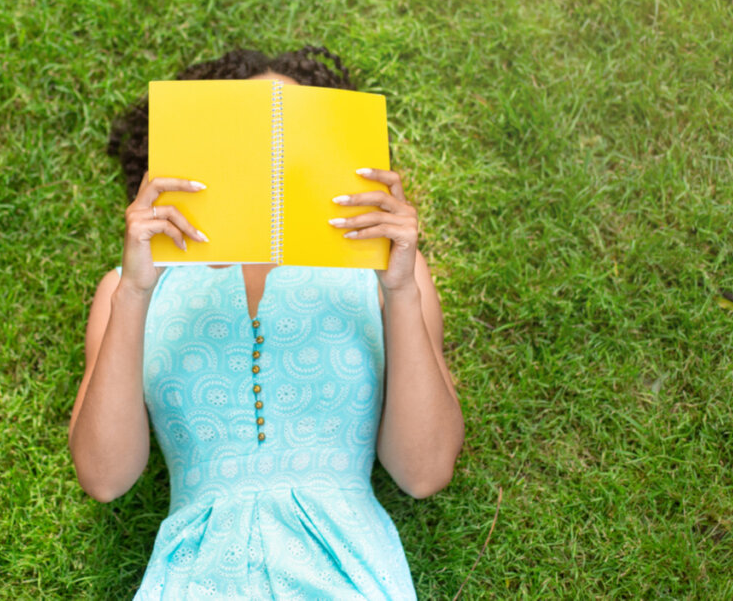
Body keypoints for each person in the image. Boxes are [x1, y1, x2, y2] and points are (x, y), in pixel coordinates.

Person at [69, 47, 465, 599]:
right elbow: (105, 478)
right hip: (193, 578)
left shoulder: (385, 273)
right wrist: (136, 290)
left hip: (346, 573)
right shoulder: (130, 285)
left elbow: (423, 473)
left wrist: (398, 288)